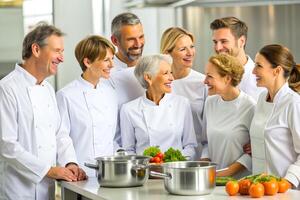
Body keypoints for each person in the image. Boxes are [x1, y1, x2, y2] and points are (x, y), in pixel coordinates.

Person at [0, 24, 86, 200]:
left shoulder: (47, 89)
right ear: (36, 49)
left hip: (46, 190)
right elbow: (7, 145)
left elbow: (60, 134)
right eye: (57, 51)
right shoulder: (7, 88)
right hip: (16, 191)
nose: (62, 58)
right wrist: (48, 170)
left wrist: (71, 163)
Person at [56, 35, 118, 177]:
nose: (112, 65)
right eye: (106, 60)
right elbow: (61, 136)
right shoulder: (66, 95)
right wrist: (71, 164)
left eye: (112, 59)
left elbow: (111, 138)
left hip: (109, 175)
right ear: (88, 62)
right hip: (79, 174)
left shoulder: (111, 93)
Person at [120, 54, 197, 159]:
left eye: (171, 73)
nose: (172, 78)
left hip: (175, 170)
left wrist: (173, 161)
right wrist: (145, 164)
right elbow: (128, 150)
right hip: (145, 172)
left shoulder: (182, 104)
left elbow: (190, 146)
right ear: (148, 77)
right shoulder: (129, 109)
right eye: (166, 73)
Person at [250, 44, 300, 188]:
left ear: (277, 71)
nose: (253, 71)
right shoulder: (261, 99)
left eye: (258, 66)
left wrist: (287, 182)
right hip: (258, 189)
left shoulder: (294, 103)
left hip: (283, 190)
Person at [201, 54, 255, 178]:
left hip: (239, 182)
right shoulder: (210, 102)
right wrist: (204, 167)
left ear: (227, 78)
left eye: (209, 76)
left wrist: (226, 173)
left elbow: (253, 152)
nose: (204, 81)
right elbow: (206, 142)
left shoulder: (250, 107)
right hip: (212, 179)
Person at [160, 27, 207, 159]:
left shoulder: (203, 83)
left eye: (191, 47)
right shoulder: (157, 83)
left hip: (197, 158)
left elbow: (210, 130)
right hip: (165, 158)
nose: (190, 53)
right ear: (167, 54)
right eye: (183, 49)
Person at [109, 12, 146, 148]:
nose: (138, 44)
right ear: (115, 41)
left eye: (141, 37)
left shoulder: (153, 69)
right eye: (131, 39)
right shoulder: (106, 75)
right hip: (118, 152)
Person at [210, 16, 263, 101]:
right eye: (215, 42)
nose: (218, 48)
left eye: (224, 41)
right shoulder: (211, 78)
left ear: (241, 41)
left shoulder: (260, 78)